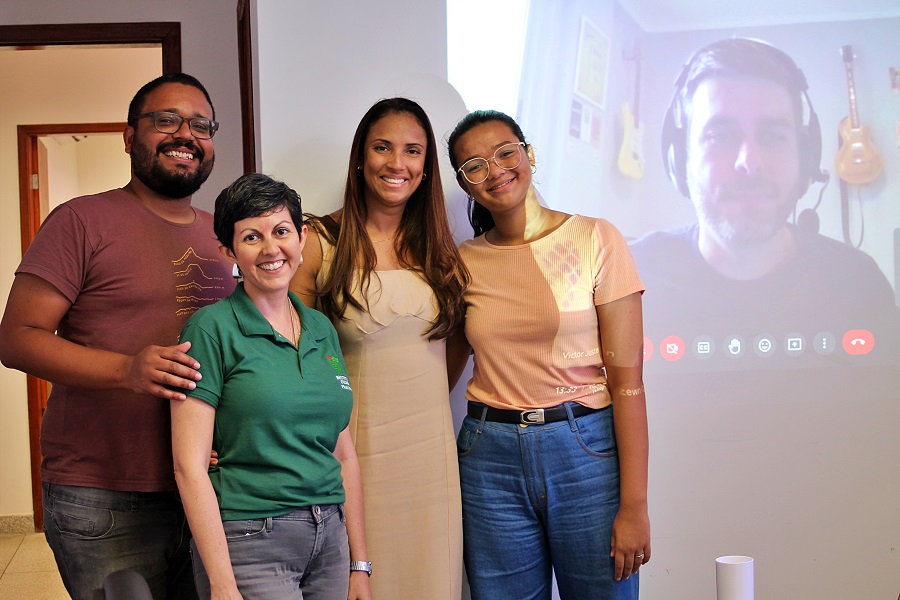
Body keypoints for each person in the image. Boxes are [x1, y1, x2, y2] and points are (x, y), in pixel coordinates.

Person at [0, 73, 233, 599]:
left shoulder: (224, 233)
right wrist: (127, 369)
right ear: (130, 138)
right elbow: (15, 337)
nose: (185, 134)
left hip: (211, 490)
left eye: (201, 124)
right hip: (104, 495)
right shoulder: (80, 221)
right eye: (166, 120)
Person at [446, 110, 650, 600]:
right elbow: (439, 376)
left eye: (505, 152)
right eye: (474, 165)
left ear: (529, 154)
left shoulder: (596, 238)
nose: (494, 170)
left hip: (585, 452)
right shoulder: (462, 262)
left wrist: (635, 504)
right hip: (487, 456)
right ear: (464, 183)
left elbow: (628, 384)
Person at [290, 97, 468, 599]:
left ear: (427, 166)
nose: (397, 163)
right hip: (354, 453)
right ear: (360, 157)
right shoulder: (319, 241)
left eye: (413, 151)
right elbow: (294, 359)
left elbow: (452, 352)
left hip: (431, 462)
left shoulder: (440, 250)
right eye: (383, 147)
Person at [630, 38, 899, 368]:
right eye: (720, 136)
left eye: (773, 136)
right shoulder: (628, 282)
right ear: (681, 158)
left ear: (806, 155)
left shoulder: (858, 284)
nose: (749, 162)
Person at [171, 173, 371, 600]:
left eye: (281, 231)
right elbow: (189, 466)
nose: (270, 249)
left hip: (330, 540)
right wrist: (223, 585)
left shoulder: (320, 327)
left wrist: (360, 565)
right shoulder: (210, 329)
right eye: (251, 237)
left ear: (300, 237)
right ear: (228, 251)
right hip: (251, 537)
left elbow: (344, 453)